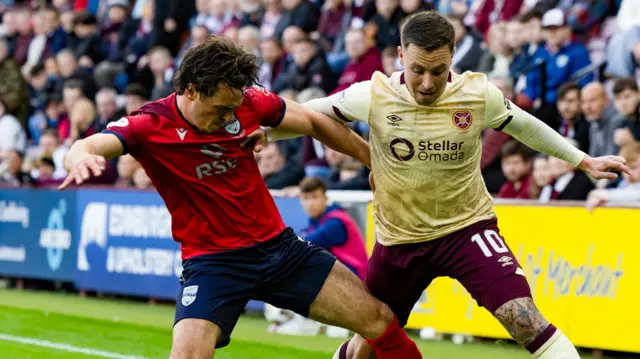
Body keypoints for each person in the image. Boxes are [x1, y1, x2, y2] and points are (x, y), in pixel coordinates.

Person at [264, 11, 628, 359]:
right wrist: (259, 135)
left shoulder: (476, 94)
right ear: (402, 55)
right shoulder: (374, 94)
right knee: (369, 345)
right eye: (417, 70)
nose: (426, 83)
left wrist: (582, 160)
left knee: (524, 319)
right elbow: (308, 114)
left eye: (437, 71)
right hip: (399, 242)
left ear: (453, 55)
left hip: (466, 230)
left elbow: (524, 125)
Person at [58, 36, 421, 359]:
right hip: (214, 264)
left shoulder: (247, 102)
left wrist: (375, 162)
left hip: (280, 252)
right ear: (190, 90)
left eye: (235, 108)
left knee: (380, 322)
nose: (231, 117)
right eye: (221, 110)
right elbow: (88, 144)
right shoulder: (149, 125)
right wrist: (80, 157)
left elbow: (311, 121)